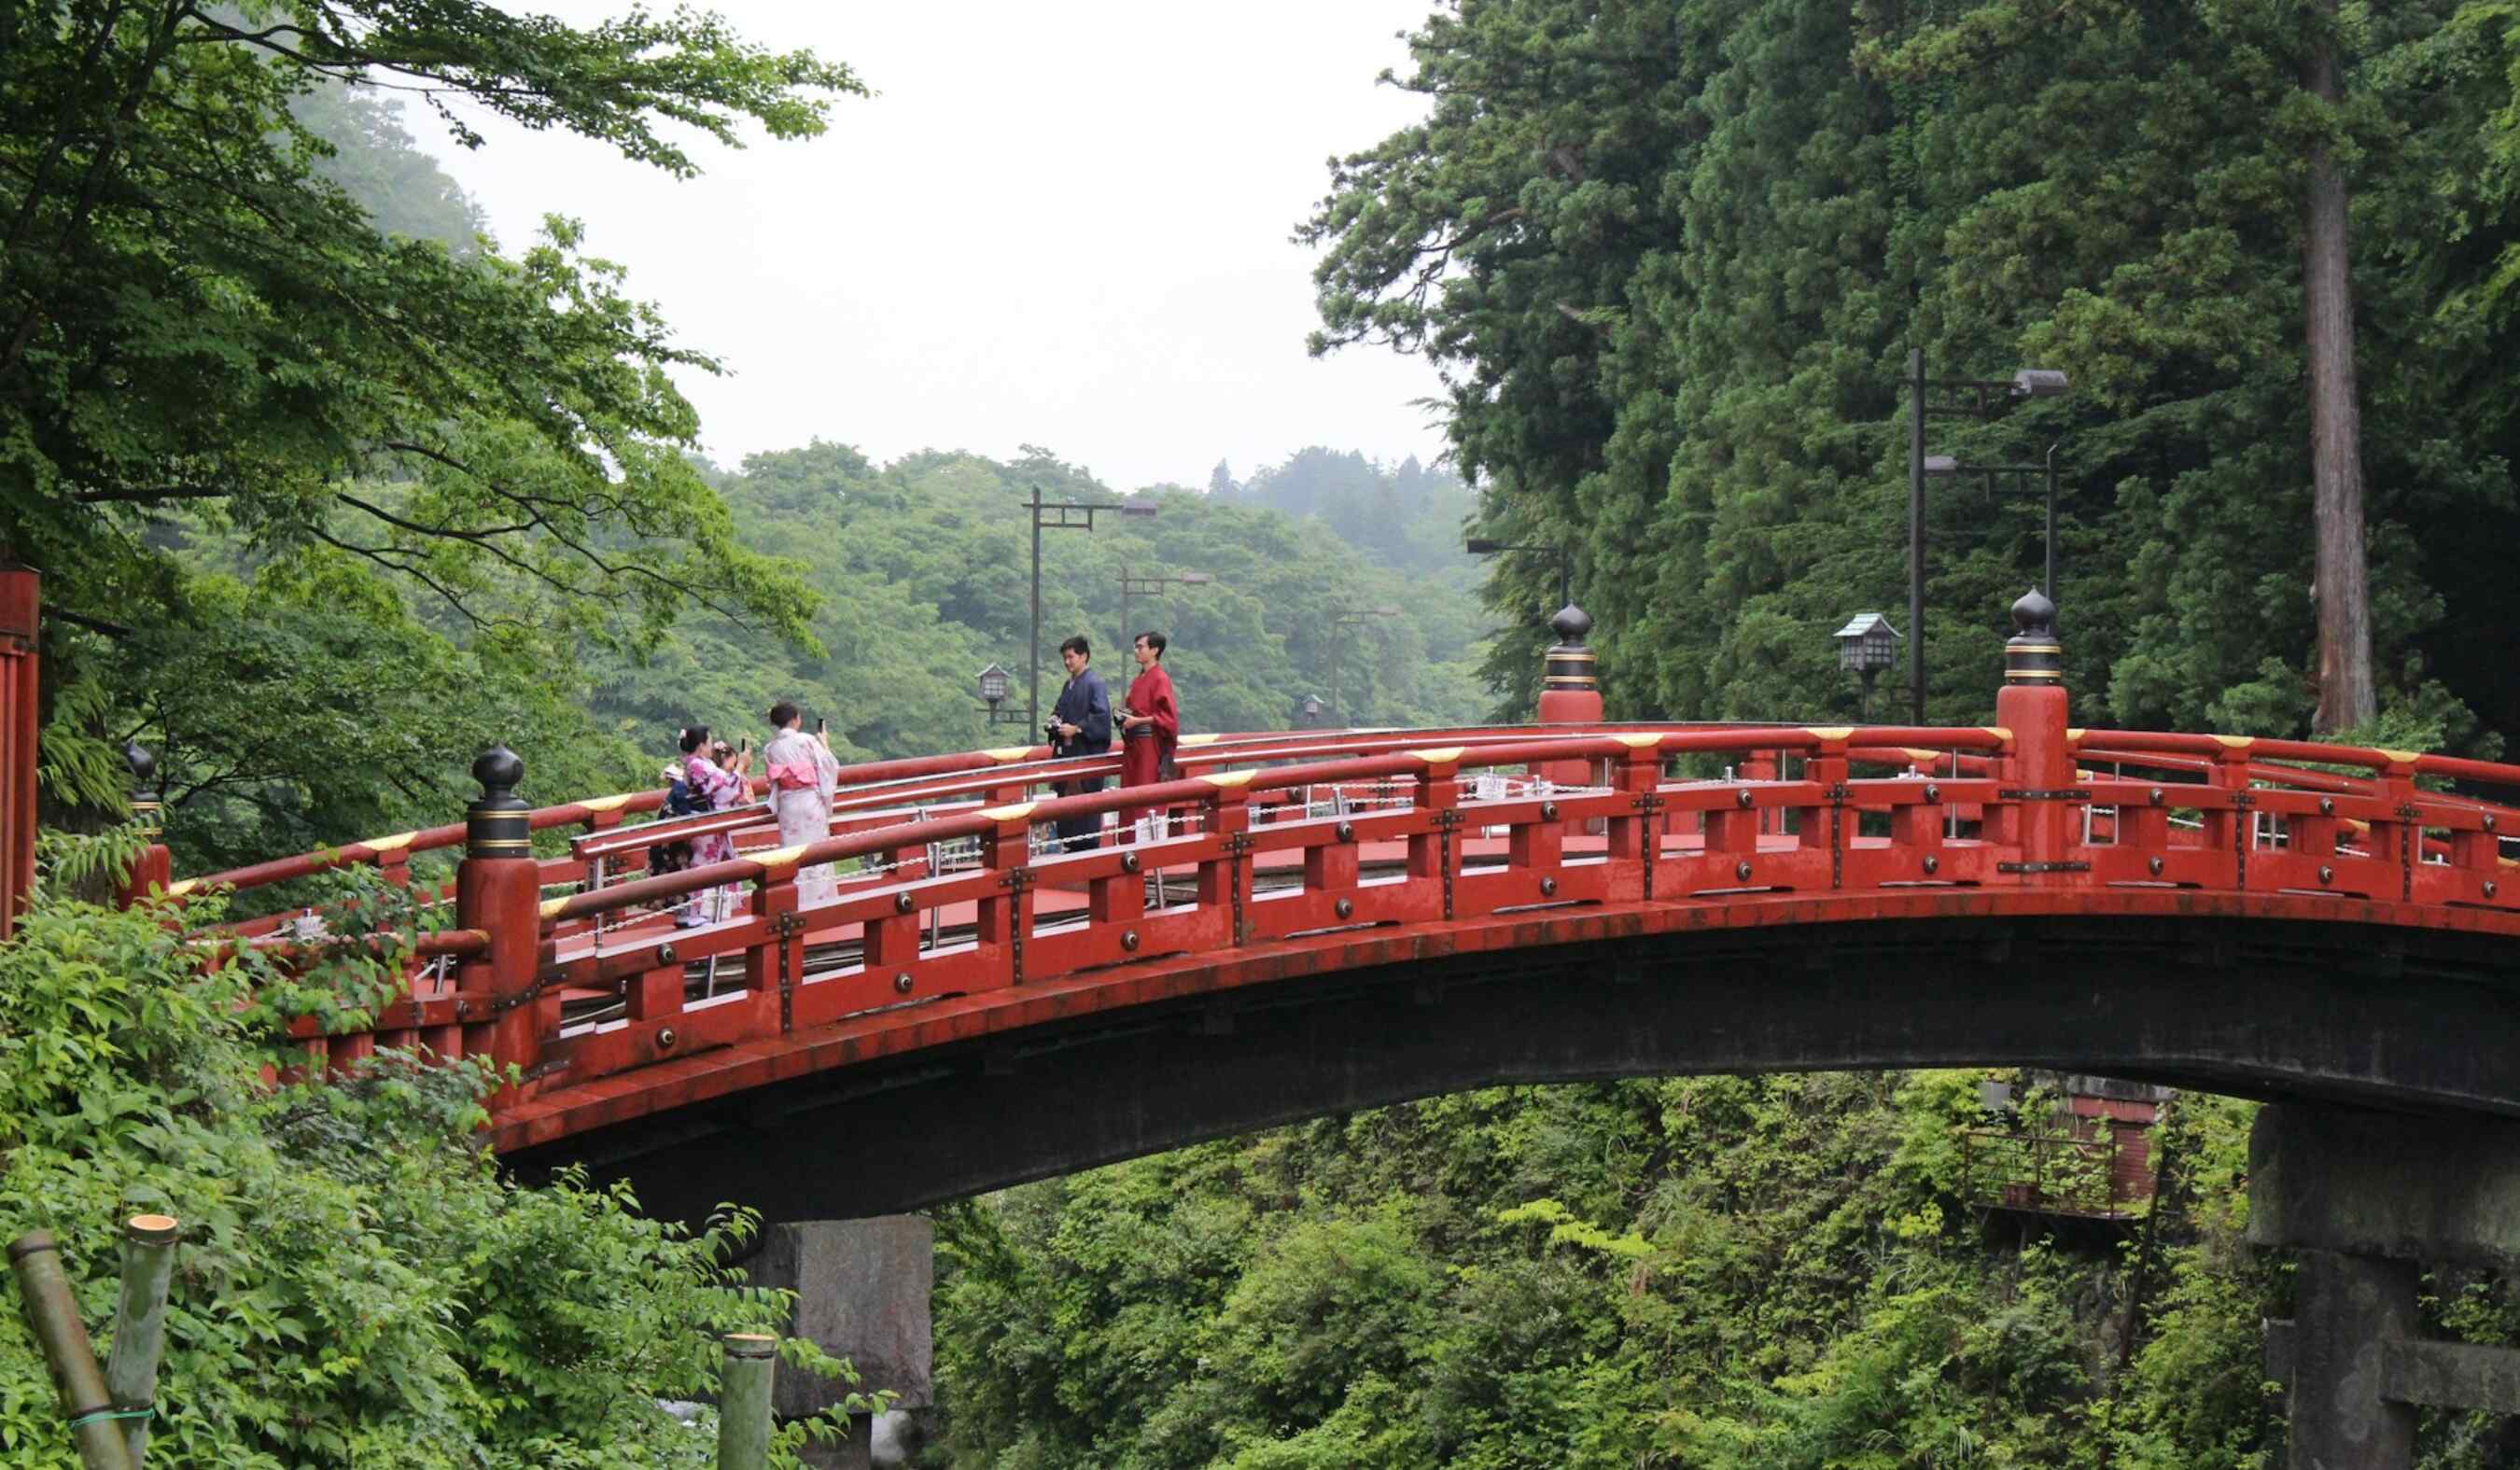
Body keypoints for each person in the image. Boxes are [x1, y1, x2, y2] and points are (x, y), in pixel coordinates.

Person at [763, 701, 842, 904]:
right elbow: (828, 766)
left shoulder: (770, 748)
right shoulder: (807, 741)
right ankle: (819, 901)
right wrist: (825, 743)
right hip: (809, 801)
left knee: (792, 852)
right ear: (795, 719)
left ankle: (795, 900)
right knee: (816, 851)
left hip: (787, 804)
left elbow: (772, 781)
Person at [678, 724, 749, 925]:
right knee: (704, 867)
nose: (711, 746)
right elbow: (723, 791)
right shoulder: (697, 765)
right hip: (704, 826)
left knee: (712, 867)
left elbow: (722, 784)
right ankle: (698, 914)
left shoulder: (700, 763)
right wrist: (740, 767)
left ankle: (706, 914)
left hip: (709, 824)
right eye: (709, 742)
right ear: (701, 745)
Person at [1047, 635, 1112, 851]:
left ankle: (1086, 851)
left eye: (1071, 657)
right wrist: (1055, 722)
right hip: (1067, 756)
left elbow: (1102, 719)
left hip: (1085, 756)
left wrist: (1076, 729)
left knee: (1084, 814)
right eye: (1065, 658)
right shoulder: (1069, 685)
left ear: (1084, 656)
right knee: (1067, 813)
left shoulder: (1095, 683)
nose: (1067, 662)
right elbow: (1059, 711)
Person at [1117, 629, 1180, 842]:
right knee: (1129, 797)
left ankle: (1146, 846)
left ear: (1154, 650)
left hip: (1149, 747)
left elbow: (1168, 719)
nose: (1136, 651)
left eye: (1140, 647)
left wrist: (1139, 721)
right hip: (1133, 746)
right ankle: (1127, 845)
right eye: (1136, 647)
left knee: (1145, 797)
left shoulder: (1161, 679)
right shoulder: (1138, 680)